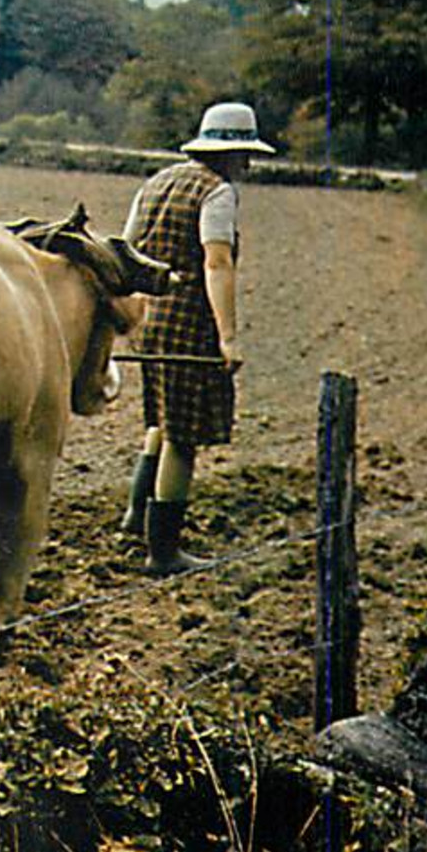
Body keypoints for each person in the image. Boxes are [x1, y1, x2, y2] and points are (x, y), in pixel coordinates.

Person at [119, 102, 274, 575]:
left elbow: (127, 249)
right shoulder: (218, 193)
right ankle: (163, 551)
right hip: (188, 322)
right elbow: (216, 262)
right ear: (229, 153)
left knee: (161, 420)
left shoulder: (157, 182)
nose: (246, 165)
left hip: (149, 316)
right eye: (243, 155)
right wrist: (228, 337)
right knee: (183, 437)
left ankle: (135, 517)